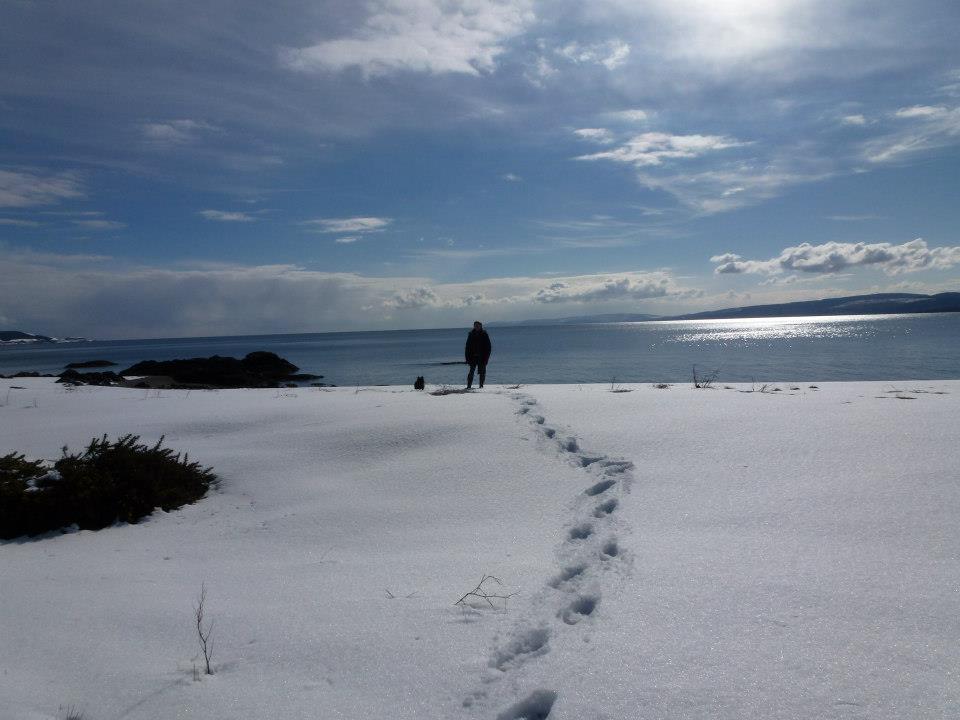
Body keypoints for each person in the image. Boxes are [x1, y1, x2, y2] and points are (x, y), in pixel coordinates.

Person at [464, 321, 492, 389]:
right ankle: (468, 386)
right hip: (472, 356)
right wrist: (467, 358)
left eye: (478, 325)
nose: (476, 327)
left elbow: (488, 347)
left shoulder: (484, 334)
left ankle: (481, 386)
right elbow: (467, 347)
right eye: (475, 325)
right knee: (471, 372)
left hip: (482, 357)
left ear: (481, 326)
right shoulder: (471, 334)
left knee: (482, 372)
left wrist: (486, 358)